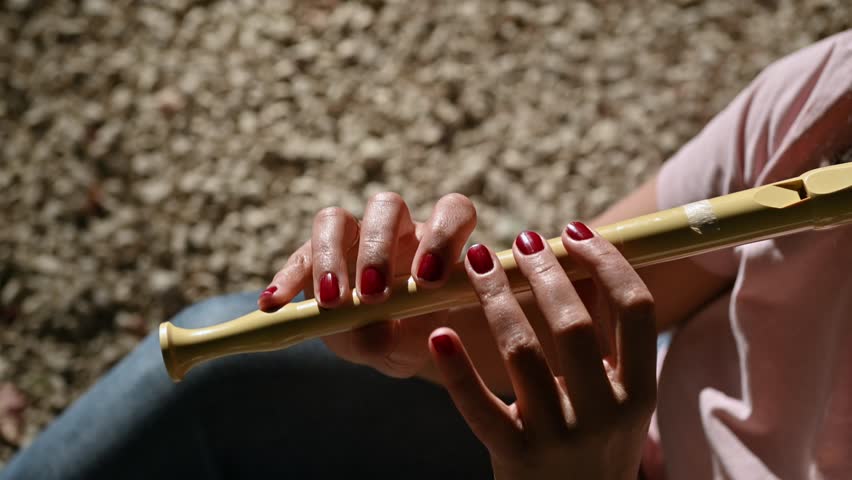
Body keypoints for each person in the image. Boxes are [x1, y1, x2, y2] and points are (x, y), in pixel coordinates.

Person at [3, 29, 851, 480]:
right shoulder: (831, 105)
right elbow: (596, 304)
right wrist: (427, 325)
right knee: (223, 373)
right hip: (619, 444)